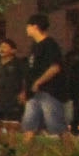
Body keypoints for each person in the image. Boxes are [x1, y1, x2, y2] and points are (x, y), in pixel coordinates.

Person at [21, 13, 71, 147]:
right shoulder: (34, 46)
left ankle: (72, 153)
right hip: (34, 94)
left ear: (35, 27)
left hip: (49, 92)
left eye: (28, 26)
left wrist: (38, 82)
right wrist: (27, 89)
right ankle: (24, 154)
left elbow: (55, 67)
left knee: (58, 126)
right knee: (29, 126)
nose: (26, 29)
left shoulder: (50, 45)